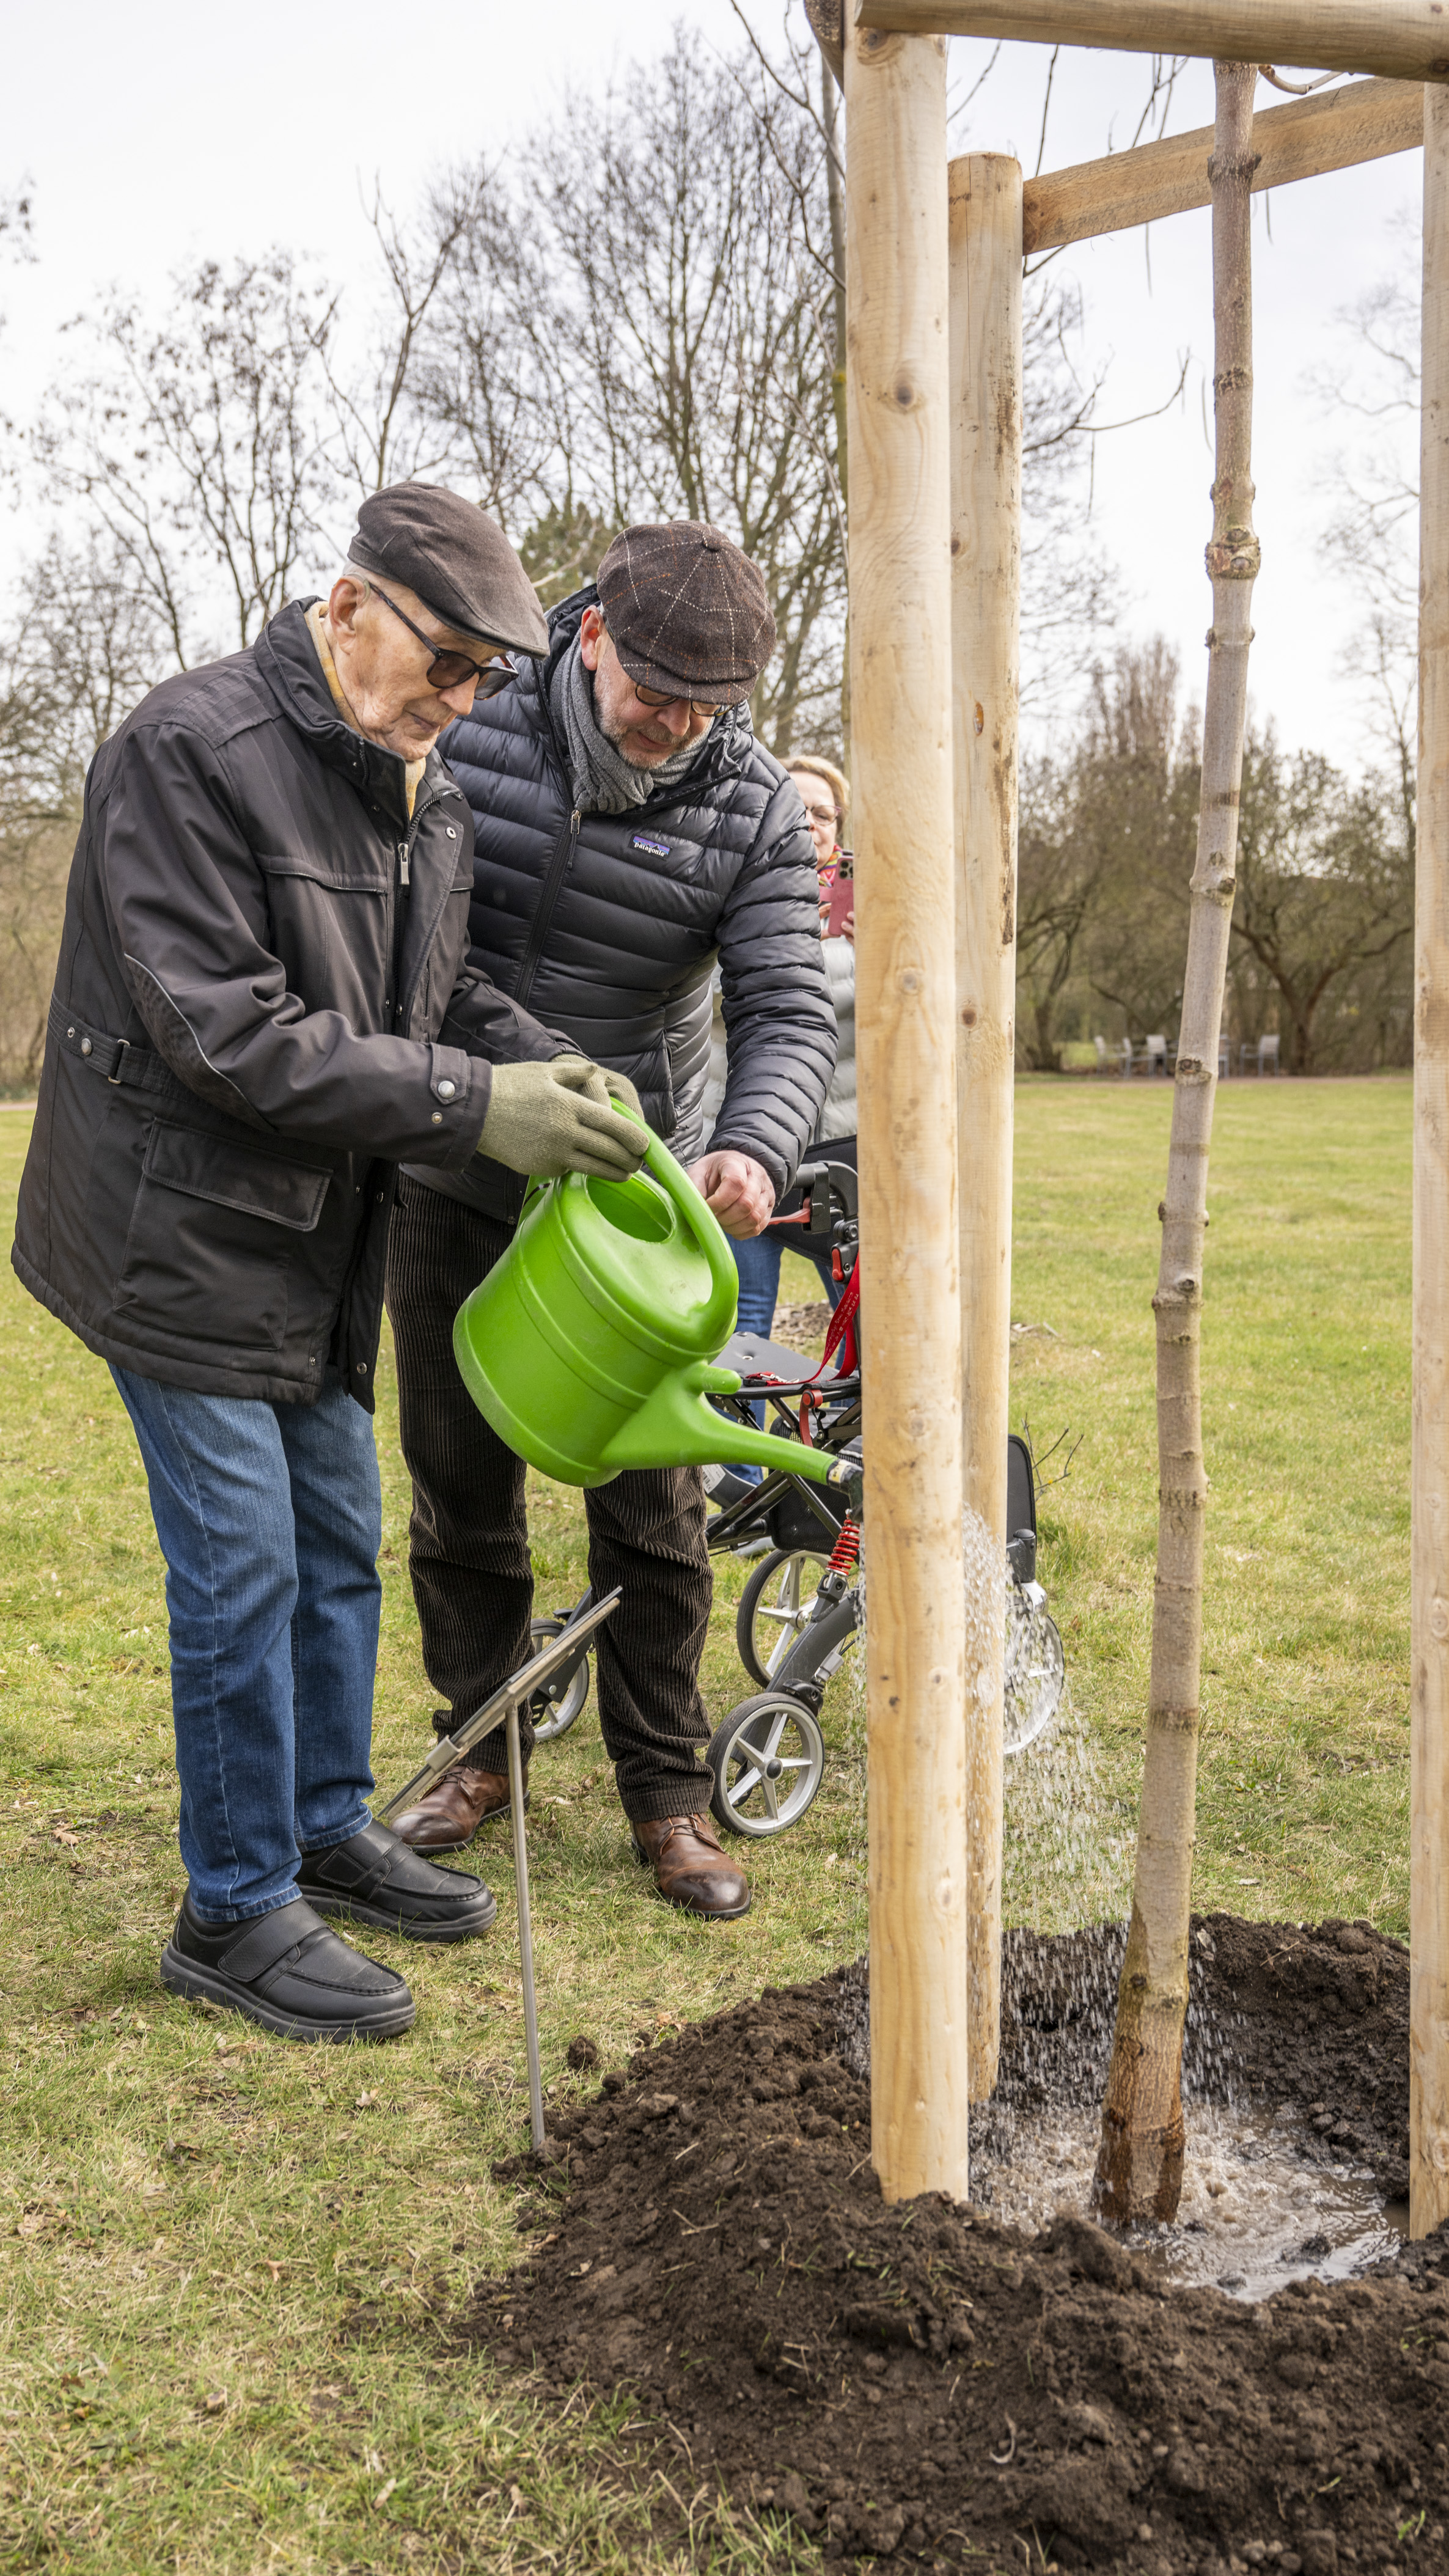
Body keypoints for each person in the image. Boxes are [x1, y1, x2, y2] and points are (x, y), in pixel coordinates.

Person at [12, 482, 649, 2044]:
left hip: (310, 1235)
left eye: (487, 679)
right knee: (241, 1565)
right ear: (347, 606)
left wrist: (547, 1067)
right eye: (442, 663)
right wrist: (468, 1107)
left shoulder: (421, 786)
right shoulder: (188, 751)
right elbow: (227, 1035)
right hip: (171, 1226)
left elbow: (427, 999)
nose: (458, 702)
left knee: (339, 1531)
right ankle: (231, 1911)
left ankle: (316, 1829)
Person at [384, 520, 835, 1920]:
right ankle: (480, 1749)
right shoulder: (477, 722)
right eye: (657, 693)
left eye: (711, 706)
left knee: (652, 1515)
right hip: (461, 1153)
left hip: (641, 1215)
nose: (679, 725)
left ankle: (666, 1796)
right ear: (590, 639)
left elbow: (785, 1005)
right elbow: (417, 947)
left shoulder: (753, 807)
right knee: (459, 1478)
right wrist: (500, 1091)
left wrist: (754, 1151)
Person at [728, 755, 856, 1344]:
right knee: (742, 1327)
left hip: (842, 1155)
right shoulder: (733, 882)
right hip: (747, 1143)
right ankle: (735, 1437)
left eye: (822, 812)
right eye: (793, 806)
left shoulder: (875, 906)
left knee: (863, 1320)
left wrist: (886, 948)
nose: (808, 822)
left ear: (839, 825)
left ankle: (860, 1439)